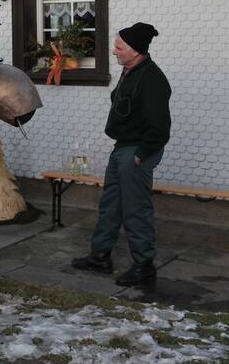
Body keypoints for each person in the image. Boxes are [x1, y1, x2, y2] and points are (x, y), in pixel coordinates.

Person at [72, 22, 171, 287]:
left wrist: (141, 155)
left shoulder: (152, 79)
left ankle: (144, 267)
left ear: (136, 50)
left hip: (136, 151)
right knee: (110, 205)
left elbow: (160, 127)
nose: (113, 52)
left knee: (136, 209)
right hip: (122, 149)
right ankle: (100, 256)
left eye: (119, 47)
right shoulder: (129, 71)